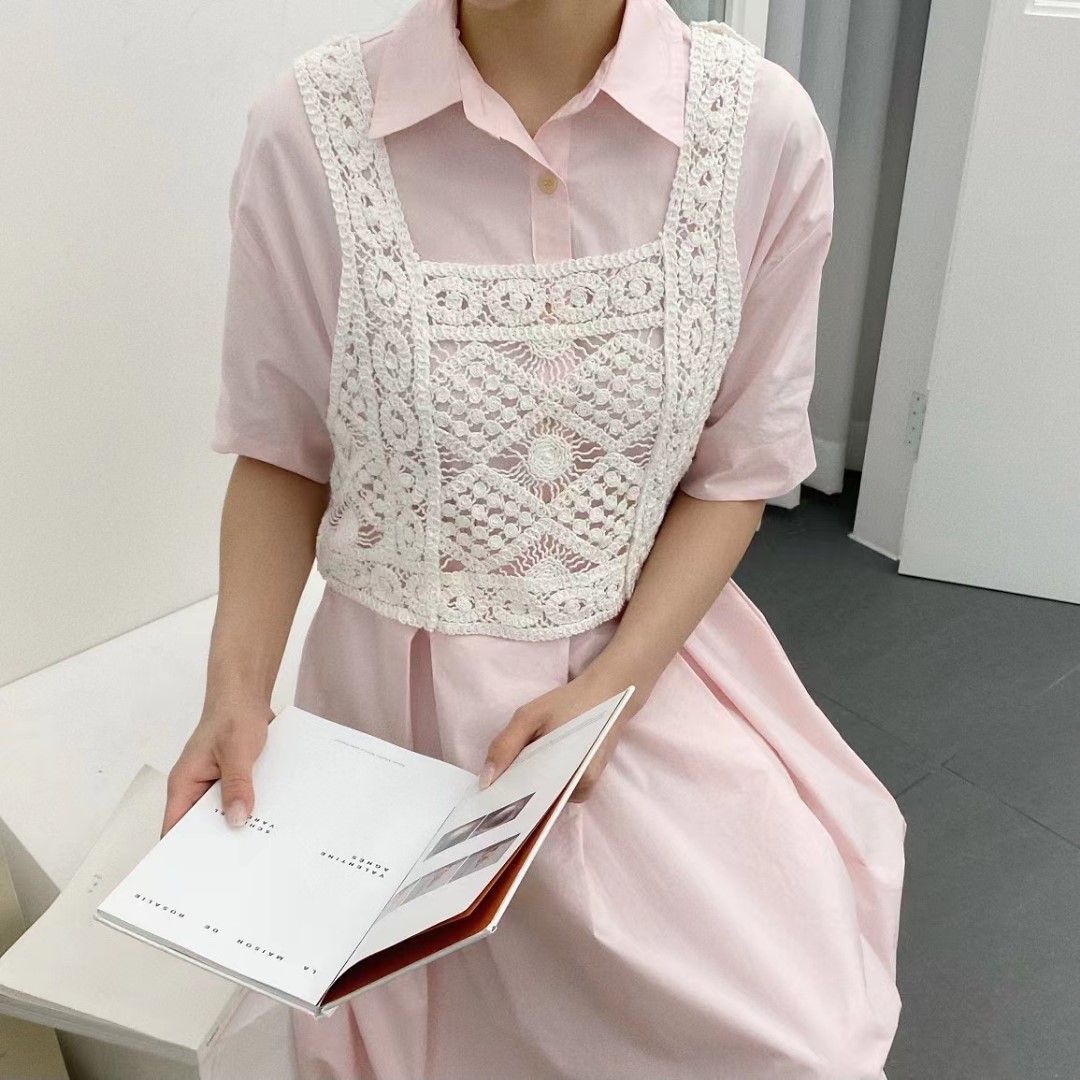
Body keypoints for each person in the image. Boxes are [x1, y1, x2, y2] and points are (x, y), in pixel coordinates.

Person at [163, 0, 907, 1076]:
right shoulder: (310, 128)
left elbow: (737, 470)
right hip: (390, 724)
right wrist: (234, 693)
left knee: (797, 1038)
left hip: (639, 670)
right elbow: (282, 451)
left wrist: (613, 691)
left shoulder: (761, 131)